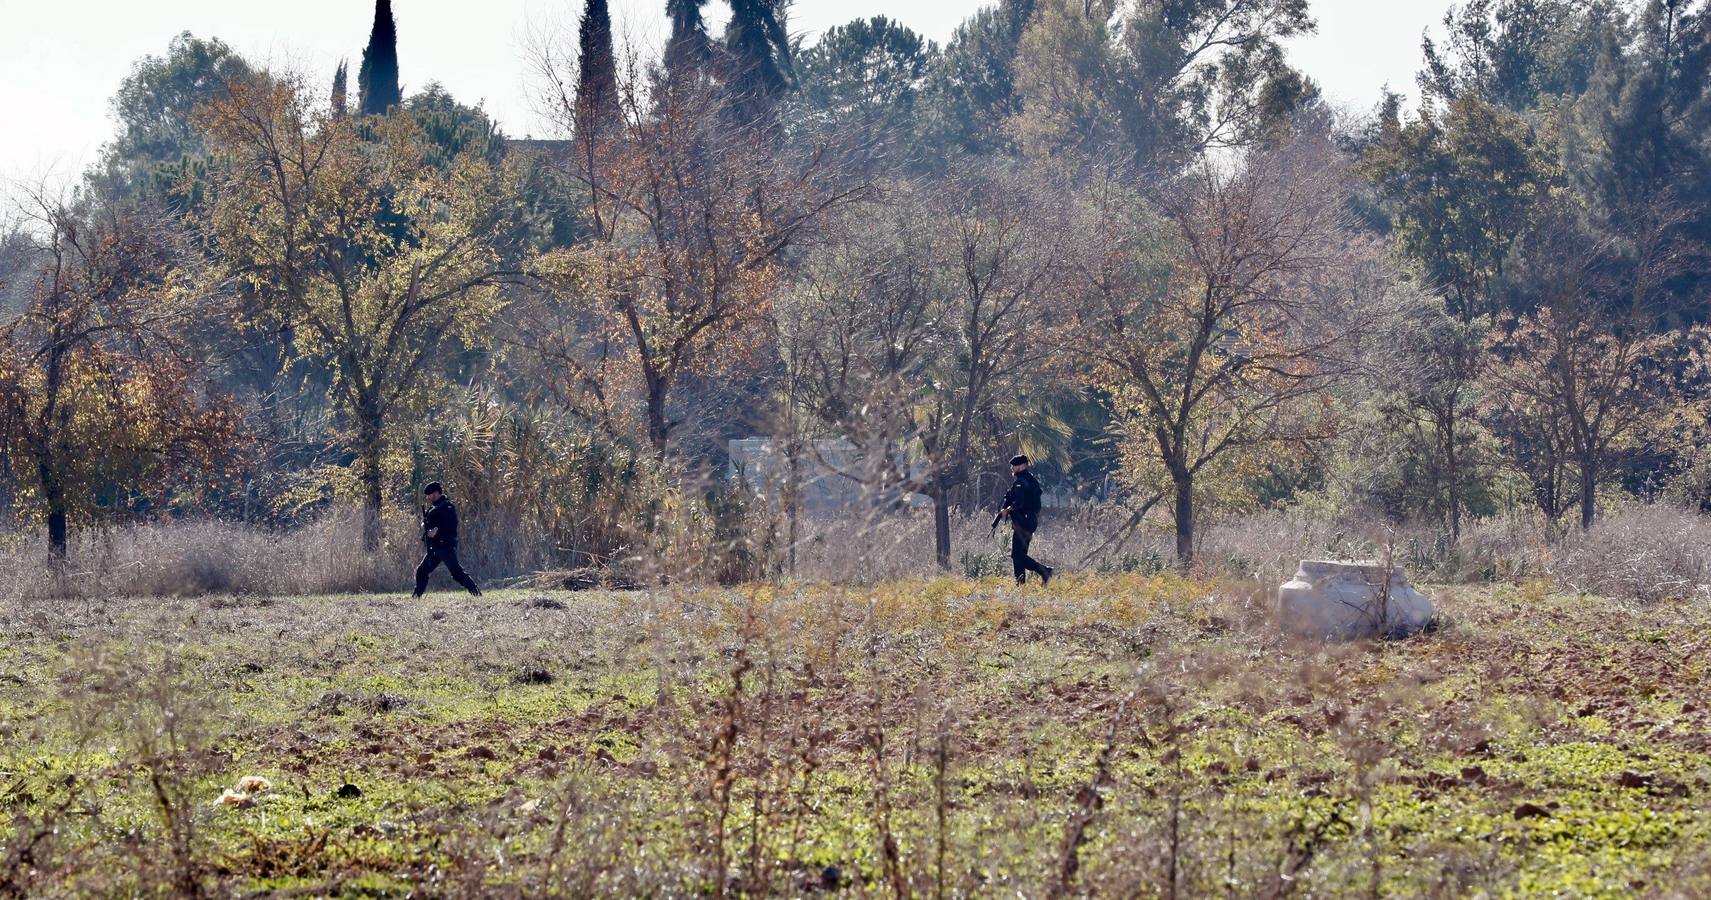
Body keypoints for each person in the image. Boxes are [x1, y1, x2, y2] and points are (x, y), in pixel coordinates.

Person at [414, 482, 482, 598]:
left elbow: (451, 524)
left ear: (436, 493)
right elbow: (429, 523)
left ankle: (475, 592)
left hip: (445, 547)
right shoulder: (433, 508)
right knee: (421, 571)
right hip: (434, 548)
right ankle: (416, 596)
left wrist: (436, 530)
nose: (428, 497)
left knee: (456, 573)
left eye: (430, 495)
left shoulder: (447, 506)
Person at [999, 455, 1054, 586]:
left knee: (1017, 554)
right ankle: (1020, 584)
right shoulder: (1030, 480)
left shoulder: (1020, 482)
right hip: (1029, 522)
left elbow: (1018, 503)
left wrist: (1007, 510)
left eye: (1015, 465)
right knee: (1020, 555)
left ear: (1022, 465)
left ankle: (1045, 571)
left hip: (1023, 523)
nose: (1012, 468)